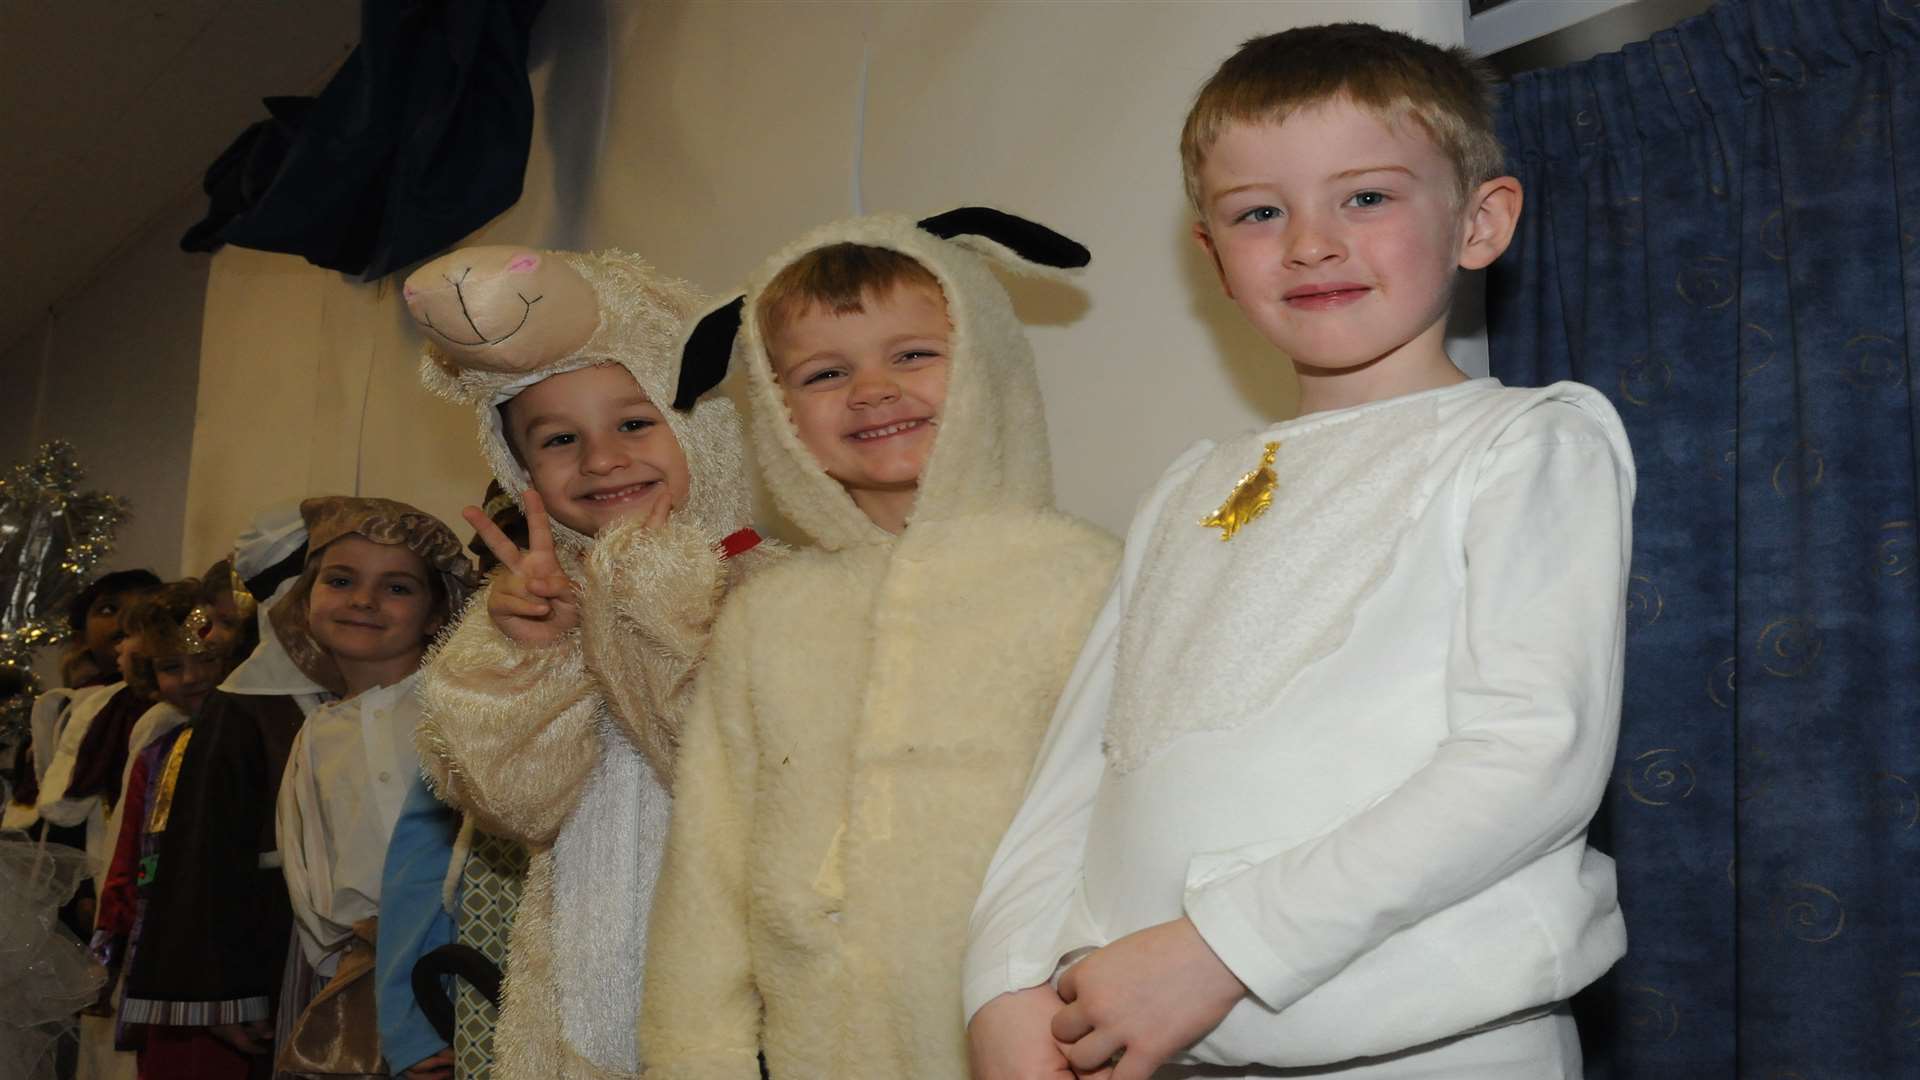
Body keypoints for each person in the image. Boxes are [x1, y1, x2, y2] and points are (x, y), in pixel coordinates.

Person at [964, 24, 1634, 1080]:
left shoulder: (1527, 442)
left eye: (1365, 197)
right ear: (1214, 257)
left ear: (1480, 221)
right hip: (1166, 1046)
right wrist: (1002, 985)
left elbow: (1529, 759)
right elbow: (1085, 765)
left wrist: (1221, 949)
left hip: (1431, 1049)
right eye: (1259, 212)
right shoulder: (1187, 486)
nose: (1309, 241)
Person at [638, 209, 1119, 1079]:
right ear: (778, 412)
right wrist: (694, 1054)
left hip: (1034, 1043)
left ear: (989, 362)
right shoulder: (767, 613)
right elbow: (710, 858)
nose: (871, 390)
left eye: (912, 354)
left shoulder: (1086, 580)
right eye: (825, 372)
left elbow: (1137, 824)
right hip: (821, 1047)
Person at [407, 245, 774, 1080]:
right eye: (559, 439)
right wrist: (532, 659)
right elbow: (515, 803)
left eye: (635, 423)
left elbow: (729, 766)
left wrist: (644, 599)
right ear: (519, 469)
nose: (602, 459)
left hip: (754, 995)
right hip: (582, 1000)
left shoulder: (774, 584)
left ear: (699, 428)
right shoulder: (525, 609)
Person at [274, 496, 478, 1074]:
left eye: (397, 588)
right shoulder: (316, 734)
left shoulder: (462, 710)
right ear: (306, 598)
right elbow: (309, 876)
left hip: (465, 974)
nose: (363, 601)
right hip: (361, 985)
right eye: (341, 581)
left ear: (437, 613)